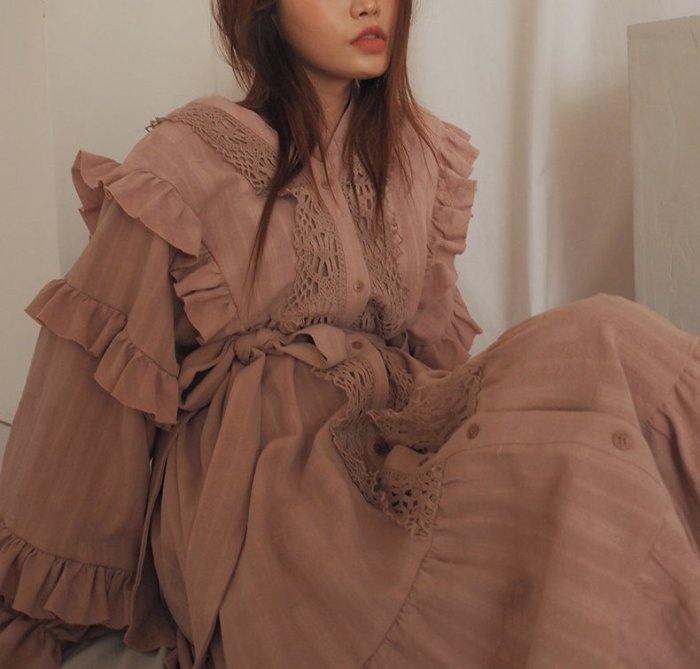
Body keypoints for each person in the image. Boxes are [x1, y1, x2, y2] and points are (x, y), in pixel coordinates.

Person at [1, 0, 700, 667]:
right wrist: (43, 596)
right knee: (557, 498)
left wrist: (497, 439)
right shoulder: (184, 161)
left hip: (389, 434)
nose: (370, 7)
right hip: (266, 487)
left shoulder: (416, 157)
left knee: (611, 338)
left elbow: (439, 357)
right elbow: (91, 385)